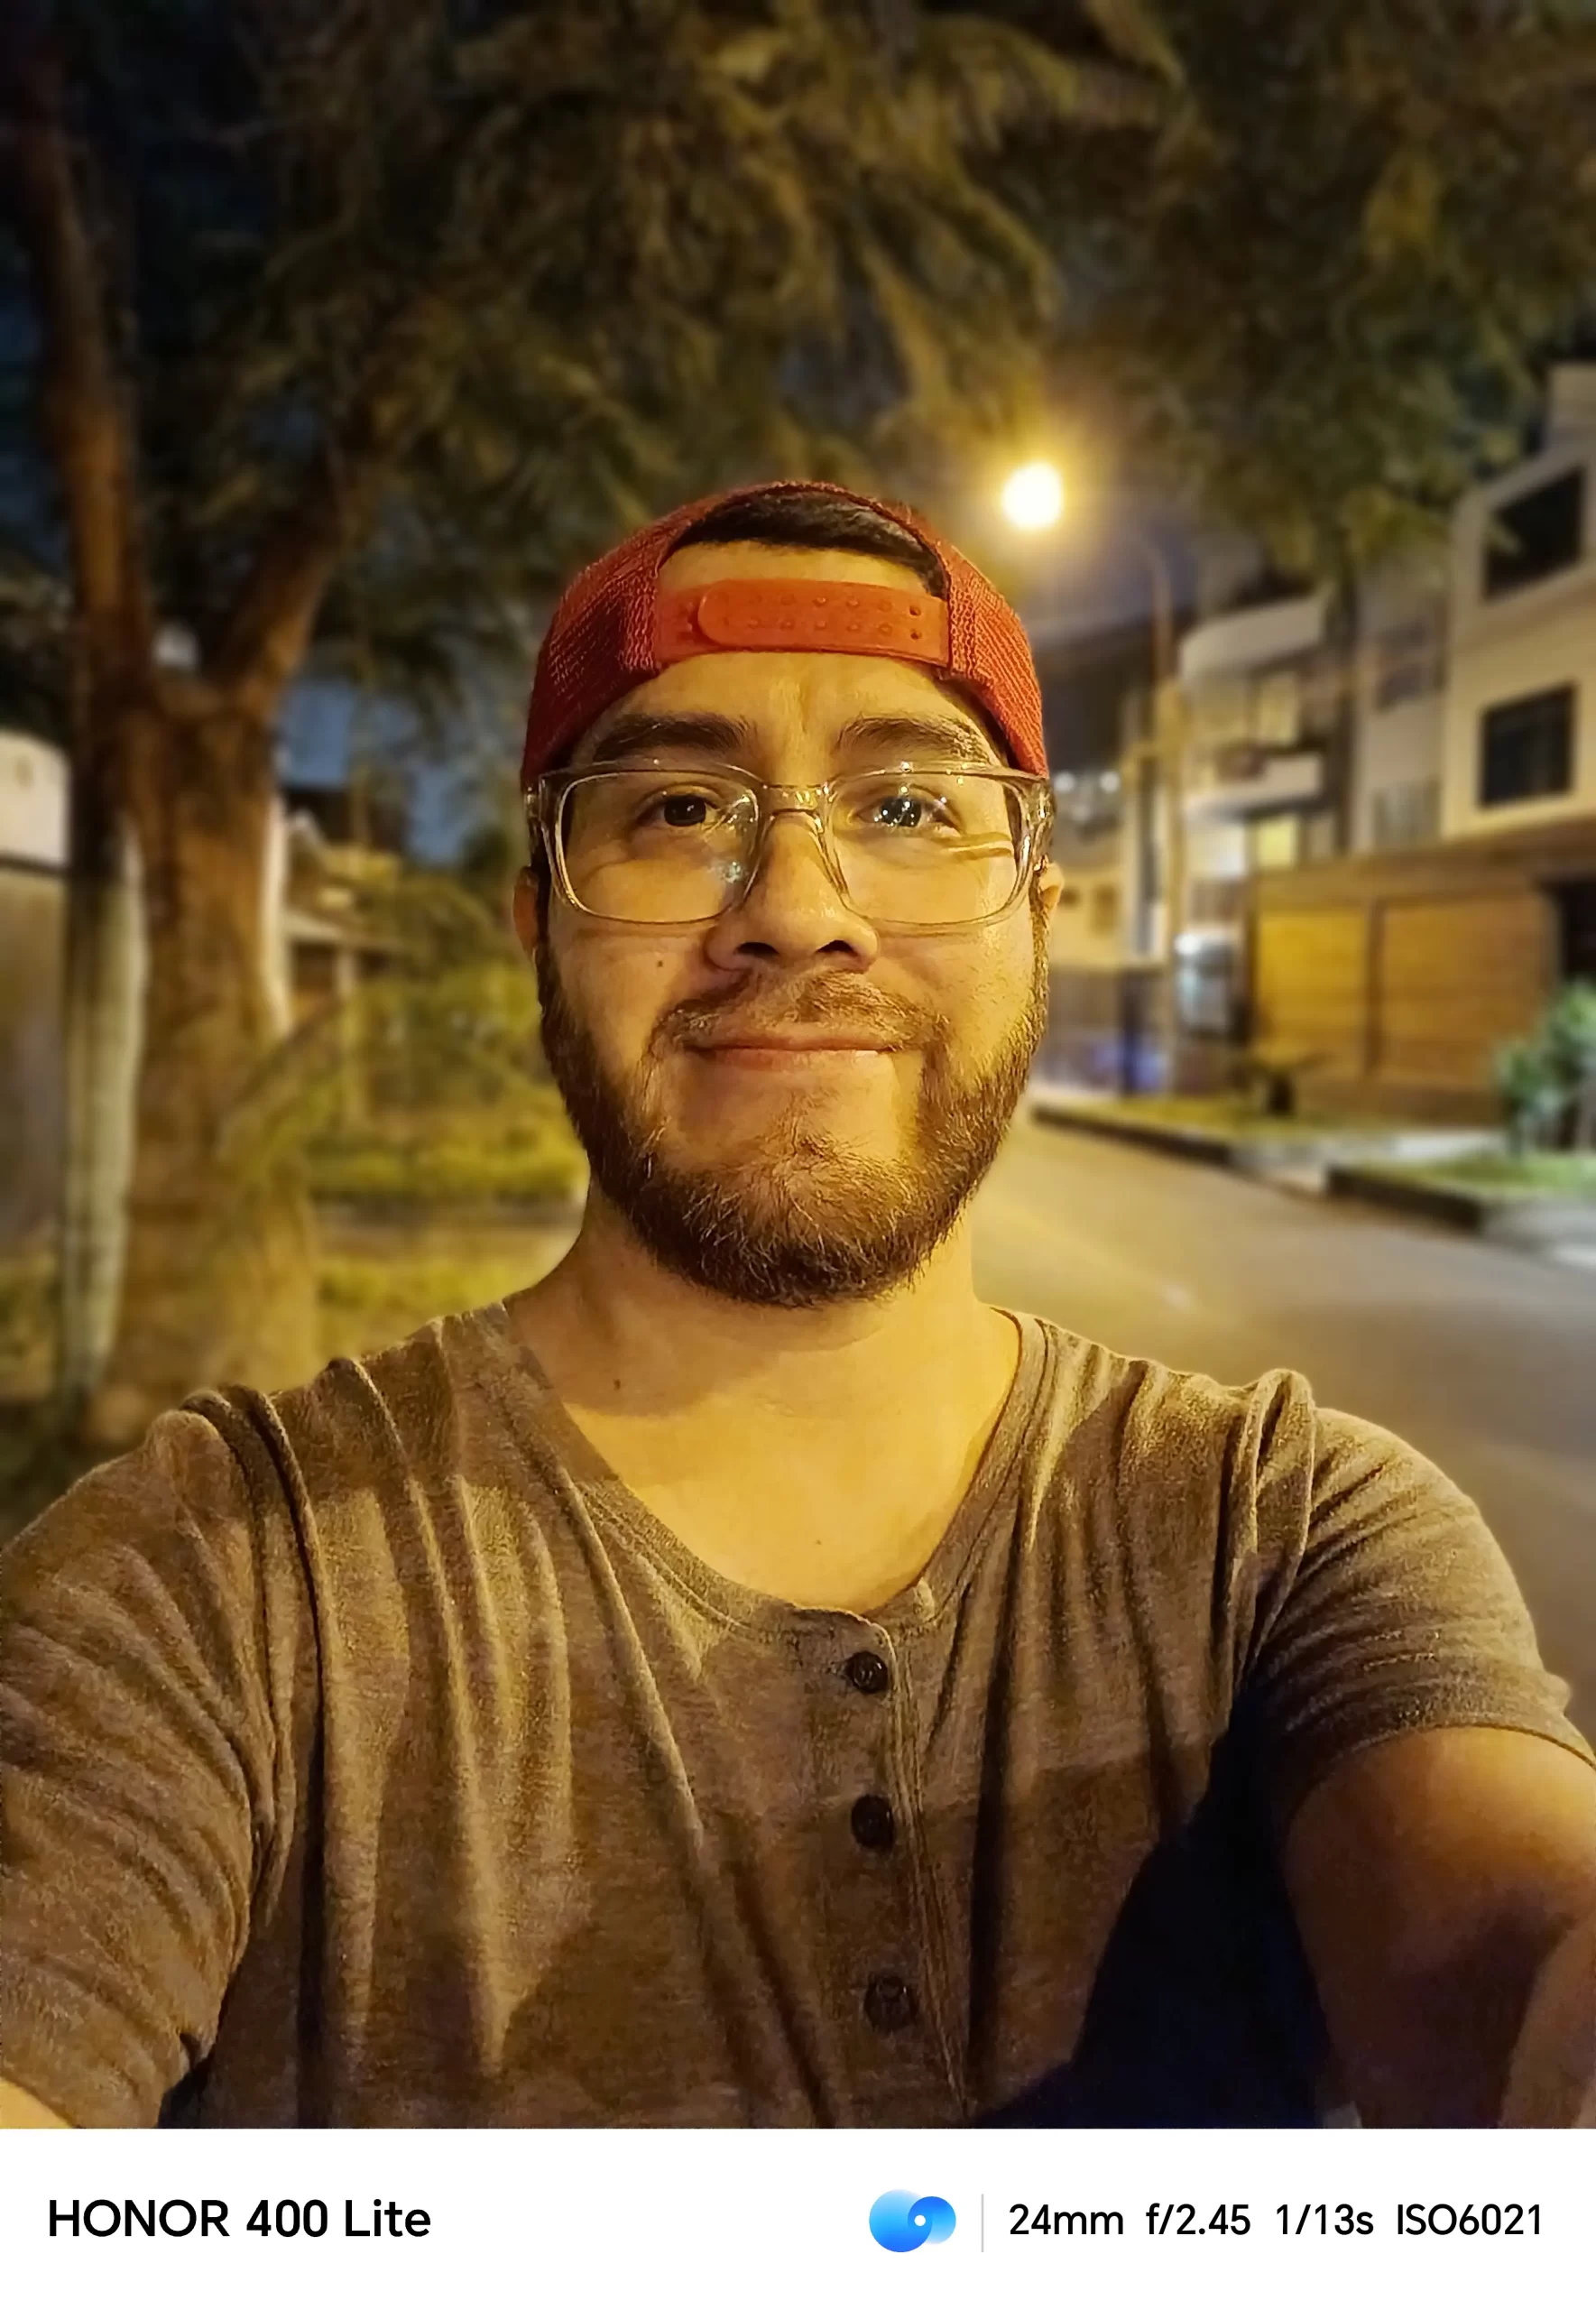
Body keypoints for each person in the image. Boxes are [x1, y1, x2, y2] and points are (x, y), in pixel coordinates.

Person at [2, 479, 1594, 2131]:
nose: (796, 908)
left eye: (908, 807)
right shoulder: (215, 1584)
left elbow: (1520, 1958)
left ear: (1039, 921)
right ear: (541, 927)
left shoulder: (1281, 1541)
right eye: (680, 809)